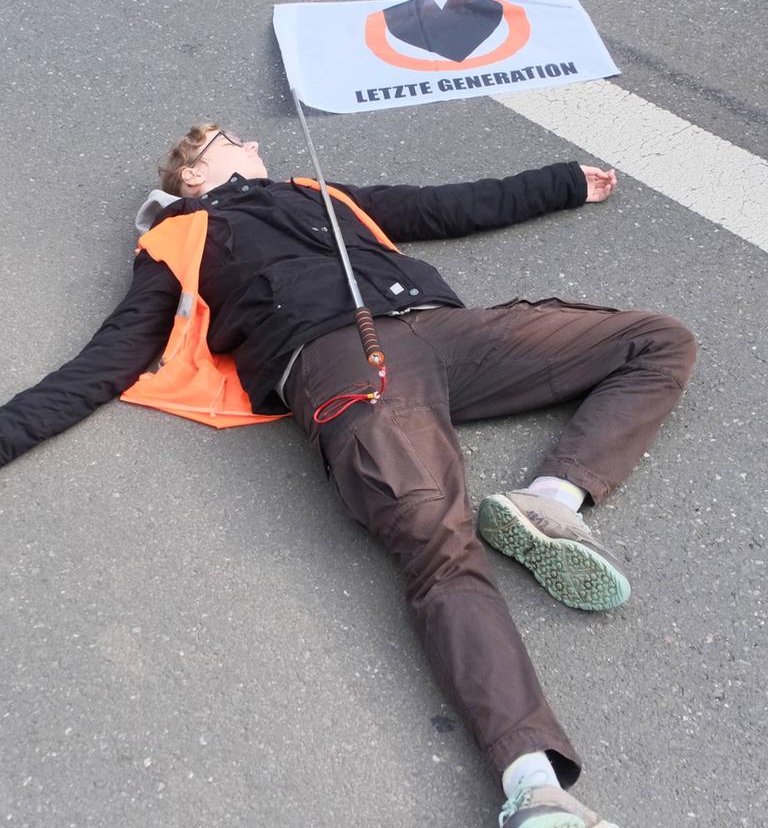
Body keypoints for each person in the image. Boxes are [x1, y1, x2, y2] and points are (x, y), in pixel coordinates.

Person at [0, 123, 696, 828]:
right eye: (226, 137)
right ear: (191, 176)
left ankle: (550, 501)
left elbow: (441, 207)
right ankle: (536, 789)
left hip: (450, 333)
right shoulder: (175, 240)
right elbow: (104, 361)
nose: (247, 140)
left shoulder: (318, 192)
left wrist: (563, 183)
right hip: (345, 366)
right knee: (438, 546)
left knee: (656, 340)